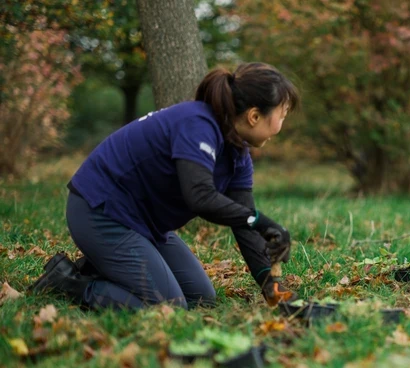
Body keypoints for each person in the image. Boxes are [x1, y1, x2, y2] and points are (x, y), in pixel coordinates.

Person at [29, 62, 300, 310]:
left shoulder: (238, 153)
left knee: (201, 298)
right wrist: (261, 221)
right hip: (100, 211)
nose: (282, 124)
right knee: (168, 307)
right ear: (254, 116)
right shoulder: (199, 124)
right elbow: (200, 197)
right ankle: (66, 283)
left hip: (144, 225)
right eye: (282, 114)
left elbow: (244, 220)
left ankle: (101, 267)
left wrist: (271, 286)